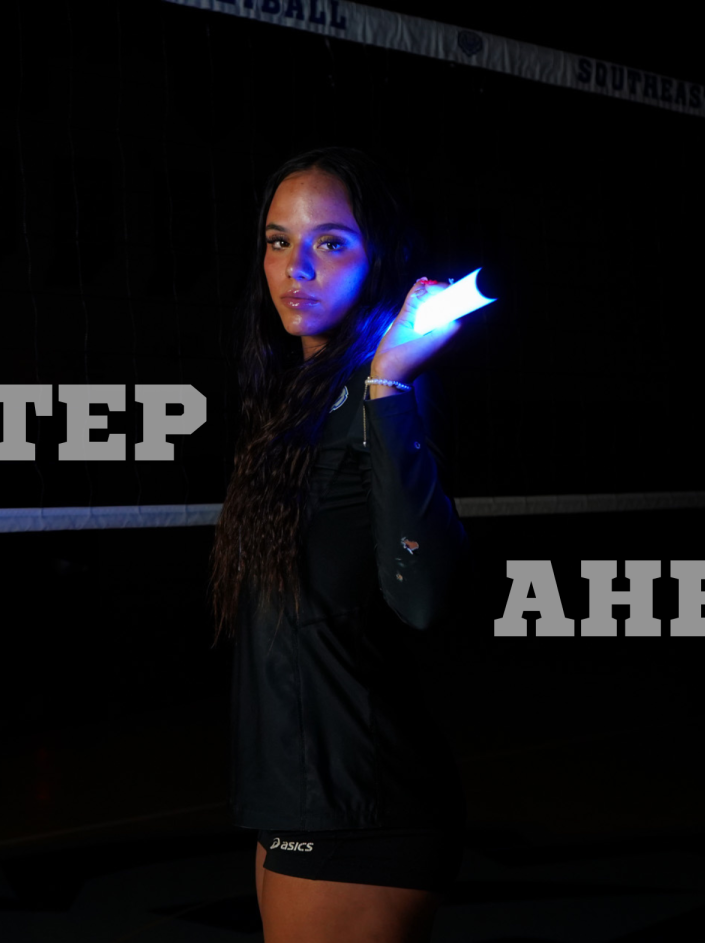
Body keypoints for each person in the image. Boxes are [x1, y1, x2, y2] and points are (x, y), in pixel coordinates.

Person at [209, 145, 470, 943]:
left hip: (359, 804)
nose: (298, 266)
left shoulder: (377, 400)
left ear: (376, 258)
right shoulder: (292, 410)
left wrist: (391, 385)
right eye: (279, 240)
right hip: (296, 796)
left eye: (331, 242)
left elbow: (423, 599)